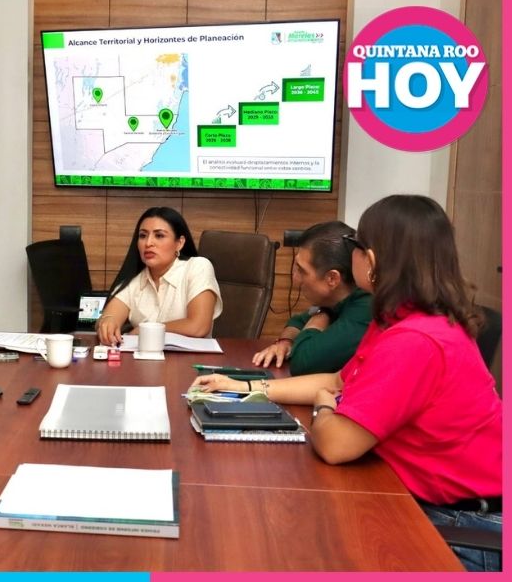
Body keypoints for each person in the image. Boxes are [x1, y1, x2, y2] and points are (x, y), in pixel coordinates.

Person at [191, 195, 501, 572]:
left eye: (355, 244)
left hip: (461, 528)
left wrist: (324, 409)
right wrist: (247, 389)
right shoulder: (397, 320)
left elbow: (336, 443)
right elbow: (338, 380)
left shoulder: (416, 340)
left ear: (370, 260)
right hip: (424, 501)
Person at [252, 221, 372, 374]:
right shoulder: (338, 299)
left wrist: (320, 315)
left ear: (332, 279)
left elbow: (302, 363)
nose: (295, 279)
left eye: (302, 271)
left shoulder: (366, 309)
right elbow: (297, 322)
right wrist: (285, 342)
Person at [96, 206, 222, 346]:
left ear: (179, 243)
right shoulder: (134, 281)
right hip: (144, 358)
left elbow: (198, 326)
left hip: (192, 358)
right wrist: (107, 322)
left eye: (159, 235)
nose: (148, 243)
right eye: (143, 236)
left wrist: (144, 330)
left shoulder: (198, 267)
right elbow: (110, 316)